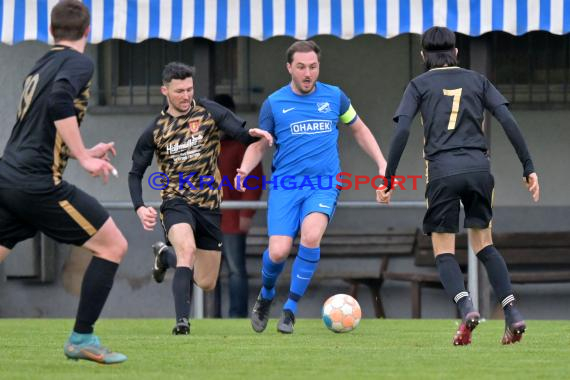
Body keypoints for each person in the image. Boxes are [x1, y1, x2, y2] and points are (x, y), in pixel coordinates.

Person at [378, 26, 540, 345]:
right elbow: (508, 120)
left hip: (442, 171)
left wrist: (388, 178)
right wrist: (528, 166)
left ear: (424, 56)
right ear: (456, 53)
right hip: (479, 168)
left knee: (444, 250)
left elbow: (402, 132)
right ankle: (512, 314)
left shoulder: (418, 85)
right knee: (484, 244)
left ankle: (466, 306)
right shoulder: (477, 80)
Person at [0, 0, 128, 364]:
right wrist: (85, 158)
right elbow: (60, 103)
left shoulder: (40, 66)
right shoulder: (79, 62)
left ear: (53, 32)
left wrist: (82, 149)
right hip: (35, 183)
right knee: (113, 246)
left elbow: (38, 130)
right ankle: (82, 338)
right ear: (88, 31)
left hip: (9, 176)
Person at [236, 40, 387, 334]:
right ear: (289, 68)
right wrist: (245, 166)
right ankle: (266, 295)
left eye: (313, 67)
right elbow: (259, 146)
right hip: (285, 185)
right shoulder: (274, 103)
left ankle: (290, 309)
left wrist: (381, 163)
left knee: (311, 235)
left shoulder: (335, 97)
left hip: (323, 184)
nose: (308, 73)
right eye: (302, 67)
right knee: (278, 252)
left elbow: (359, 129)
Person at [128, 63, 272, 334]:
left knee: (207, 281)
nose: (186, 96)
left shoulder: (208, 111)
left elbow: (240, 133)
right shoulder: (155, 129)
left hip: (209, 206)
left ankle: (164, 256)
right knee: (188, 250)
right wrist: (139, 206)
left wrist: (255, 135)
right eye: (179, 91)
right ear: (164, 91)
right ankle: (182, 323)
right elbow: (135, 173)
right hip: (176, 202)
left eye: (190, 89)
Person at [215, 94, 263, 318]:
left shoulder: (243, 145)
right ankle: (209, 318)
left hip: (232, 220)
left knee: (235, 271)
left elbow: (254, 181)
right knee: (208, 271)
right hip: (209, 219)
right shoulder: (206, 145)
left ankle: (237, 316)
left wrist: (246, 213)